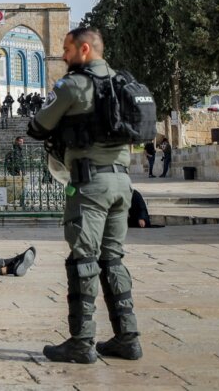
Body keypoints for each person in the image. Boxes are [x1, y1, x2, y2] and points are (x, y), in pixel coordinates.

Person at [26, 27, 141, 364]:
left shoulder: (74, 85)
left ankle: (81, 342)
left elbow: (39, 125)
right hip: (122, 184)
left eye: (67, 50)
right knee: (112, 259)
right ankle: (127, 337)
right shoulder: (123, 83)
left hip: (90, 185)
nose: (63, 56)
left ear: (85, 49)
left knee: (83, 259)